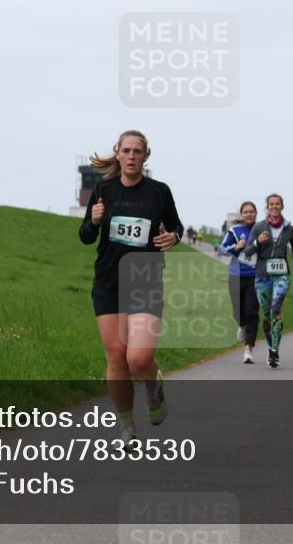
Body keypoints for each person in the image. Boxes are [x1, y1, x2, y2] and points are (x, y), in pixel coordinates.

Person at [78, 130, 183, 449]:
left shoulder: (159, 192)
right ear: (119, 154)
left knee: (139, 358)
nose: (132, 156)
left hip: (146, 281)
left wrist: (174, 238)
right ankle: (127, 427)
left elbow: (176, 226)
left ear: (146, 156)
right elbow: (85, 237)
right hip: (108, 282)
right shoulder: (103, 189)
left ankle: (153, 387)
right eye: (126, 150)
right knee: (116, 357)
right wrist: (94, 221)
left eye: (138, 151)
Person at [243, 194, 293, 368]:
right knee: (267, 315)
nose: (274, 206)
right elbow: (247, 251)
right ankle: (270, 346)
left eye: (277, 204)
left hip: (282, 274)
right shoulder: (259, 227)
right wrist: (257, 241)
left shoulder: (289, 228)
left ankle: (275, 350)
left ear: (282, 206)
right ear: (267, 207)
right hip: (262, 275)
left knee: (276, 308)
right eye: (271, 204)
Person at [219, 202, 260, 363]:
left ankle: (248, 349)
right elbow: (222, 249)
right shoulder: (235, 230)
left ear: (256, 214)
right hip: (236, 275)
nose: (249, 214)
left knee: (252, 312)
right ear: (241, 215)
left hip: (255, 277)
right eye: (246, 212)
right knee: (238, 311)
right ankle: (241, 325)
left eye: (252, 212)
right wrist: (236, 246)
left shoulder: (261, 229)